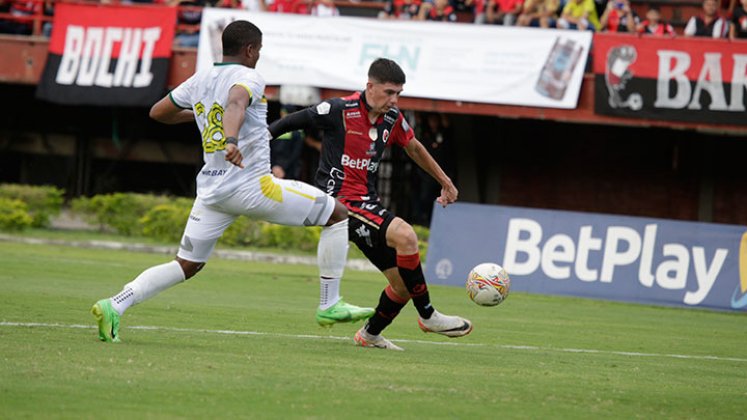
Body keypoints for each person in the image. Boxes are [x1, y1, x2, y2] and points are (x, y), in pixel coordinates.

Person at [90, 20, 374, 343]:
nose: (259, 57)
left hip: (212, 192)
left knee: (186, 264)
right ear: (251, 50)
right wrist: (230, 140)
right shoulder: (248, 76)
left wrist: (202, 112)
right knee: (337, 213)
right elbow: (237, 101)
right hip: (253, 187)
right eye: (259, 51)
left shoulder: (200, 79)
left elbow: (158, 112)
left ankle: (114, 305)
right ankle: (329, 302)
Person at [268, 58, 473, 351]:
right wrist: (253, 143)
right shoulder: (339, 109)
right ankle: (428, 315)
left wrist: (445, 180)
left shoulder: (392, 119)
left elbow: (413, 146)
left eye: (398, 94)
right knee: (406, 235)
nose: (394, 100)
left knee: (402, 284)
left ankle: (370, 335)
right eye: (389, 92)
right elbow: (291, 122)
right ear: (370, 87)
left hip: (367, 203)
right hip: (340, 203)